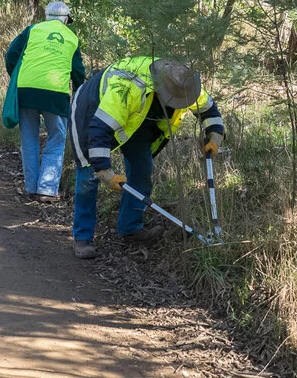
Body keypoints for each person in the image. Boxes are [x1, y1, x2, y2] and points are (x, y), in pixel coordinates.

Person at [69, 56, 224, 259]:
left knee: (142, 170)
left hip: (139, 119)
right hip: (92, 109)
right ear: (160, 90)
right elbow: (98, 130)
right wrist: (104, 169)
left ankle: (130, 227)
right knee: (89, 174)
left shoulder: (184, 83)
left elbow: (208, 109)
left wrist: (214, 136)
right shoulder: (127, 89)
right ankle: (83, 237)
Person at [4, 0, 86, 202]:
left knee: (29, 139)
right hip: (55, 94)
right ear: (66, 20)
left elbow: (11, 55)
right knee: (56, 139)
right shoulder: (71, 37)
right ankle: (47, 190)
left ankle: (31, 187)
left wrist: (17, 75)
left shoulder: (32, 30)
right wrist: (79, 92)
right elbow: (78, 72)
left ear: (47, 17)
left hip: (26, 90)